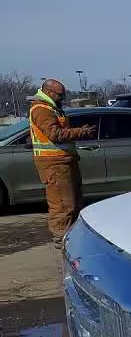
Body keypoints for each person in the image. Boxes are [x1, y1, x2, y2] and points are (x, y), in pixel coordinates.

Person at [29, 78, 96, 252]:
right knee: (62, 205)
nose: (63, 98)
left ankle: (70, 238)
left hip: (63, 162)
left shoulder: (51, 108)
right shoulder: (41, 109)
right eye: (60, 95)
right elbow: (55, 134)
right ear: (49, 92)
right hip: (54, 164)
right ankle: (62, 240)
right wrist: (81, 132)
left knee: (72, 202)